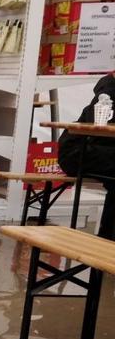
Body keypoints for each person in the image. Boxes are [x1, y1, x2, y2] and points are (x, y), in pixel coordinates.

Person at [58, 71, 115, 239]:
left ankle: (107, 242)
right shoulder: (107, 92)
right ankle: (107, 245)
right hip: (77, 152)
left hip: (91, 150)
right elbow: (99, 130)